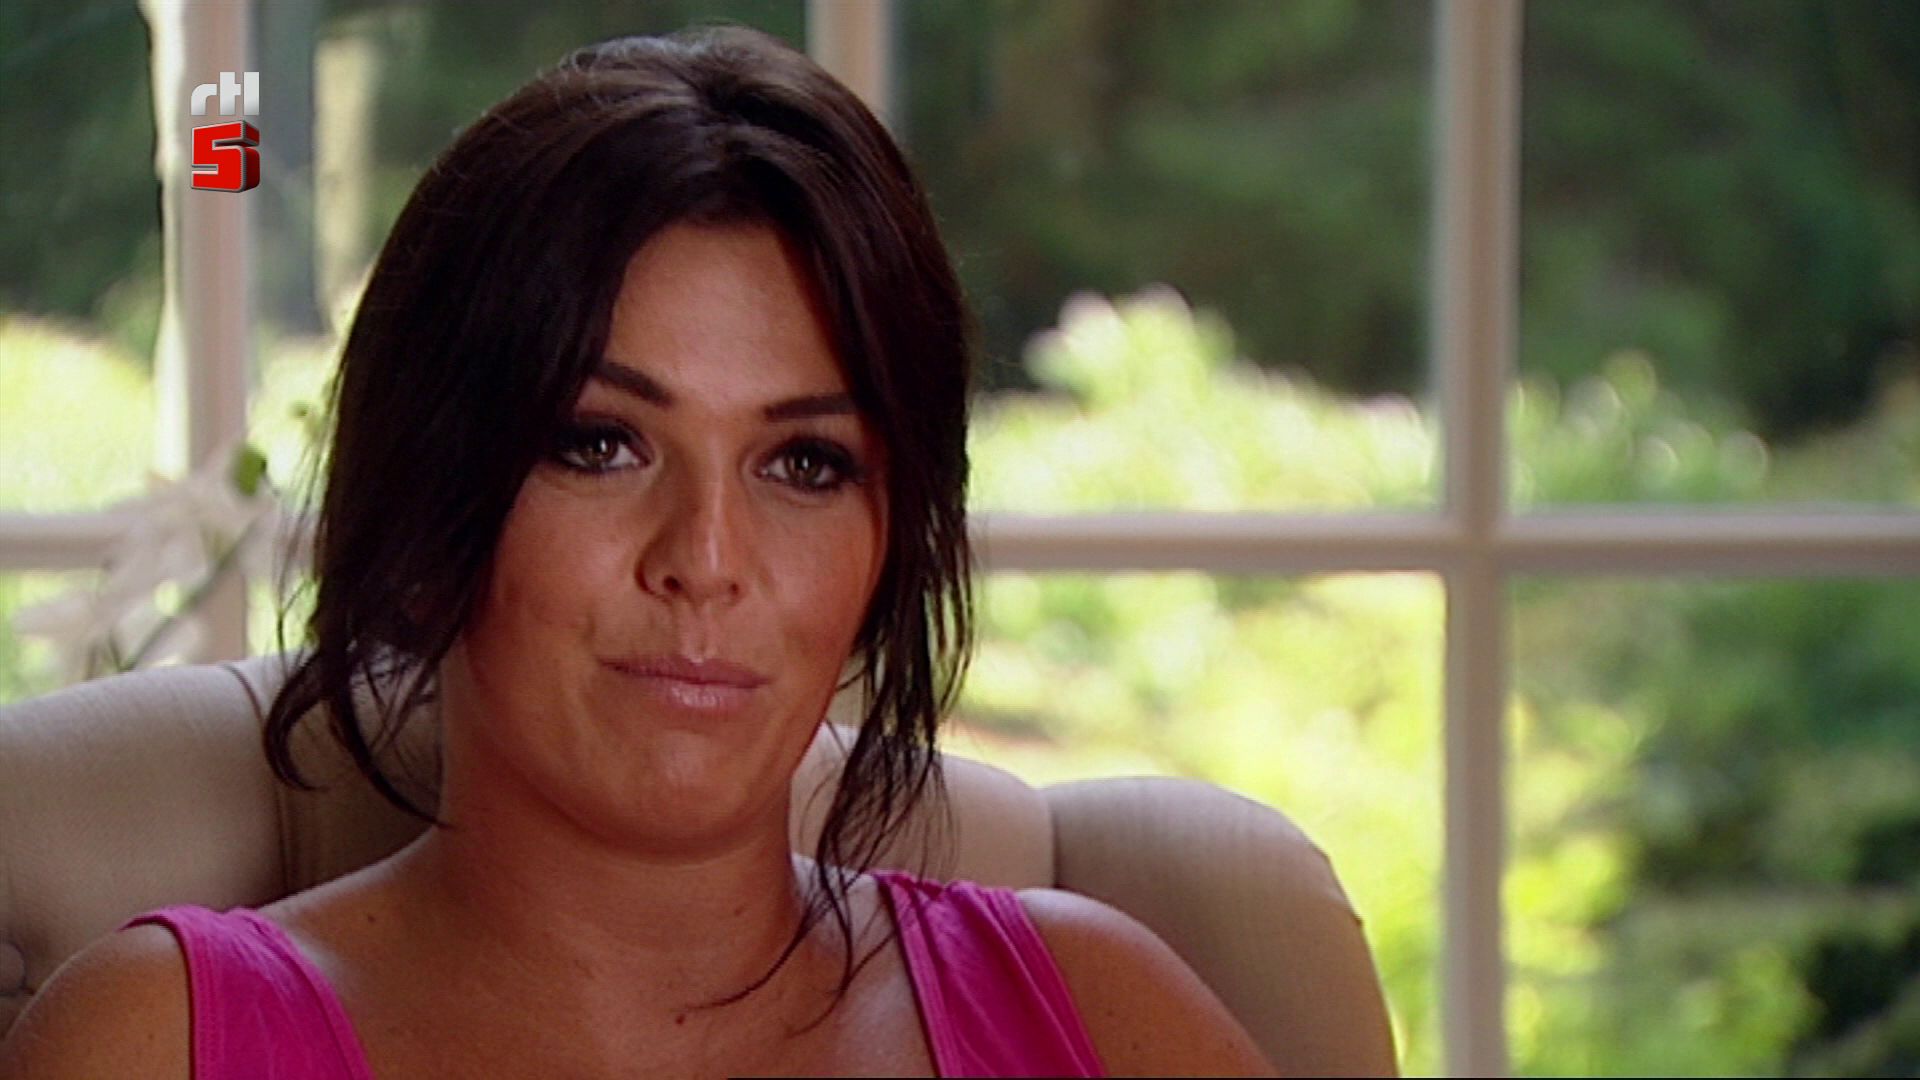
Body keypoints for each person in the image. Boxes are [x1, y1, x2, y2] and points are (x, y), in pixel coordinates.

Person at [0, 26, 1274, 1078]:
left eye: (805, 463)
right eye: (598, 444)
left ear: (889, 545)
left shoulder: (1105, 1011)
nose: (707, 559)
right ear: (430, 496)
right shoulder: (154, 1042)